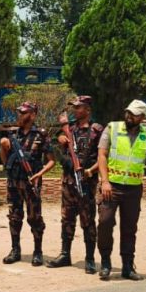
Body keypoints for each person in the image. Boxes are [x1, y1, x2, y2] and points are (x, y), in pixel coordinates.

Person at [96, 99, 146, 281]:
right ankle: (105, 262)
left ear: (142, 117)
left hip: (134, 189)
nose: (129, 116)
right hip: (111, 186)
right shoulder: (112, 128)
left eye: (134, 114)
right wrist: (104, 181)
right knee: (105, 222)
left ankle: (128, 266)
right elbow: (102, 155)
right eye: (128, 112)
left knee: (129, 229)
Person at [47, 95, 105, 273]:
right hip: (68, 183)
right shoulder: (69, 129)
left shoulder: (97, 130)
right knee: (67, 219)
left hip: (87, 182)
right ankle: (65, 254)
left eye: (78, 107)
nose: (75, 110)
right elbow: (56, 146)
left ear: (87, 109)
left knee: (88, 221)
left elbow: (104, 156)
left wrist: (91, 171)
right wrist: (60, 139)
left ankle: (89, 258)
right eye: (74, 107)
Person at [0, 102, 55, 266]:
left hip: (31, 183)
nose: (20, 116)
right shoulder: (14, 135)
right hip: (14, 182)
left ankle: (38, 252)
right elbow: (5, 163)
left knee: (34, 217)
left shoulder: (40, 135)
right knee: (14, 217)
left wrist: (40, 174)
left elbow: (51, 161)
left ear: (33, 115)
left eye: (23, 113)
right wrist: (3, 148)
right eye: (19, 113)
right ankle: (15, 250)